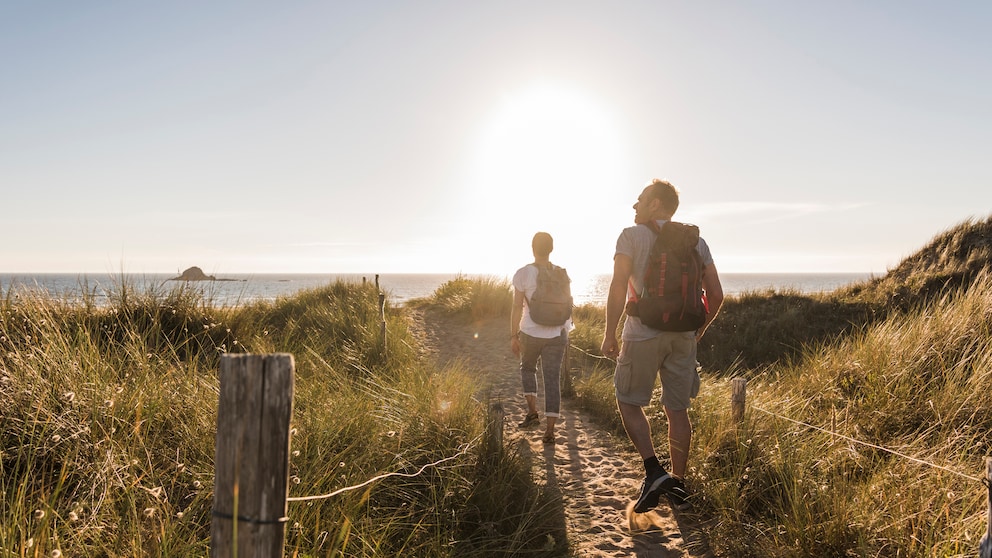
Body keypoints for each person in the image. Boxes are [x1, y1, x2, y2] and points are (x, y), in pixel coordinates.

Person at [600, 179, 724, 512]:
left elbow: (616, 287)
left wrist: (610, 332)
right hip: (684, 336)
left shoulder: (631, 236)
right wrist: (697, 331)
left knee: (627, 401)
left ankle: (654, 471)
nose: (635, 205)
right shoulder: (697, 242)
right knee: (677, 410)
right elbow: (717, 296)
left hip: (642, 333)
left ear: (655, 204)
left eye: (640, 200)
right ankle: (678, 486)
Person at [510, 232, 573, 445]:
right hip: (557, 333)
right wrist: (566, 330)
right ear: (551, 249)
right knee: (552, 379)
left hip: (529, 331)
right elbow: (568, 304)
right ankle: (550, 431)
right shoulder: (561, 273)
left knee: (527, 369)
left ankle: (532, 412)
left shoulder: (523, 274)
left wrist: (513, 335)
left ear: (532, 248)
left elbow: (517, 306)